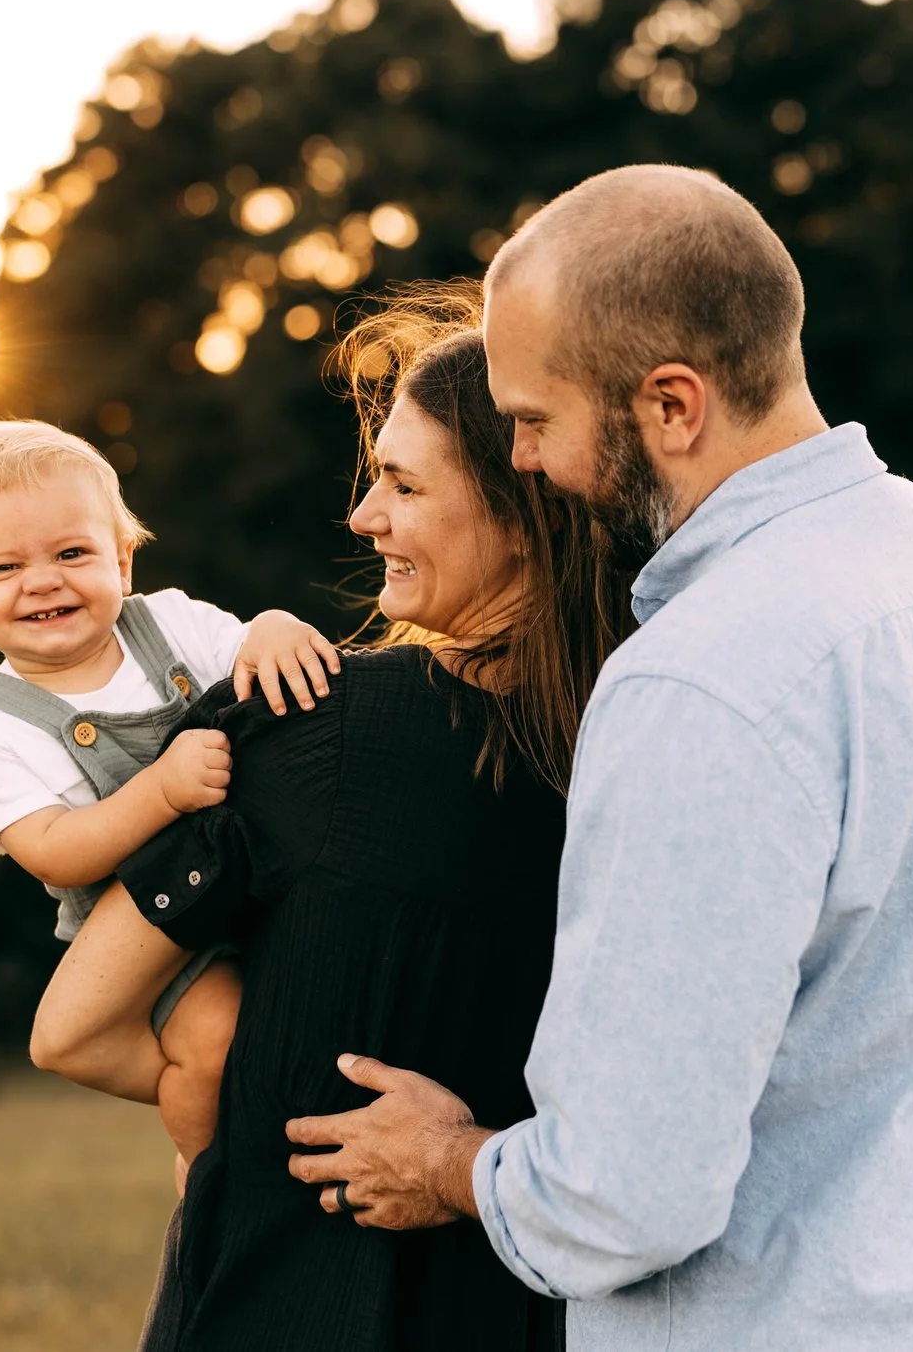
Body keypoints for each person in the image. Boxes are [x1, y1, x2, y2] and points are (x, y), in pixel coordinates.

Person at [285, 166, 913, 1351]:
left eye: (534, 420)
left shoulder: (699, 675)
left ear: (670, 406)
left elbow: (625, 1188)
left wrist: (449, 1159)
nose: (523, 461)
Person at [31, 290, 633, 1350]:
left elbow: (71, 1027)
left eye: (402, 483)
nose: (363, 516)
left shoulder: (309, 732)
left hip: (285, 1306)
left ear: (522, 506)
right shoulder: (649, 759)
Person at [0, 418, 340, 1166]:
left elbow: (252, 648)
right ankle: (211, 1186)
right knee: (213, 1045)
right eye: (4, 568)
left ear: (122, 560)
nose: (44, 579)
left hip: (261, 886)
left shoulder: (171, 623)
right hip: (156, 940)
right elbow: (56, 852)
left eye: (73, 552)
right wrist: (163, 790)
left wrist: (275, 624)